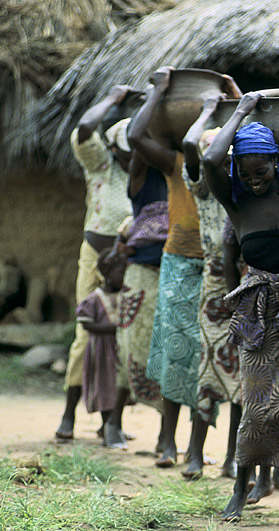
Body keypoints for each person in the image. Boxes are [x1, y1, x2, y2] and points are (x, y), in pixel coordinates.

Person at [203, 90, 279, 526]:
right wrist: (241, 110)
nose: (254, 179)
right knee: (255, 405)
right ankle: (241, 486)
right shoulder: (238, 203)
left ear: (277, 164)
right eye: (246, 172)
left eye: (261, 170)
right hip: (256, 313)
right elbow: (212, 160)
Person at [128, 67, 207, 468]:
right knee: (175, 352)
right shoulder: (177, 164)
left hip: (216, 267)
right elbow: (136, 137)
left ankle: (195, 447)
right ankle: (167, 441)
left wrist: (231, 93)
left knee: (208, 359)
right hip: (179, 261)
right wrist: (158, 90)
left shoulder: (233, 166)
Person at [56, 85, 135, 442]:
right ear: (115, 149)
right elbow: (85, 130)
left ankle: (111, 421)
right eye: (128, 153)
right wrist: (112, 99)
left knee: (124, 340)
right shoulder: (101, 163)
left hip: (128, 267)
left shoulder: (144, 176)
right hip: (95, 261)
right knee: (83, 336)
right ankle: (69, 414)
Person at [179, 96, 243, 481]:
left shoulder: (244, 184)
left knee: (242, 379)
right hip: (215, 286)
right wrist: (208, 111)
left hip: (247, 284)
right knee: (207, 373)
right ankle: (194, 451)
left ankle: (232, 457)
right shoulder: (204, 187)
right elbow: (191, 145)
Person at [111, 150, 169, 449]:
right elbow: (139, 144)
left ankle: (164, 435)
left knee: (167, 354)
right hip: (141, 278)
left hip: (173, 275)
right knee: (131, 349)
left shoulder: (180, 174)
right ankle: (113, 423)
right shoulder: (142, 182)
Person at [76, 248, 127, 443]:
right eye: (121, 273)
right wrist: (111, 329)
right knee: (106, 388)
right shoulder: (94, 298)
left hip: (117, 352)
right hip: (101, 353)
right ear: (107, 274)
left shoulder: (123, 296)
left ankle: (114, 426)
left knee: (118, 388)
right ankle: (108, 428)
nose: (125, 277)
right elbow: (86, 323)